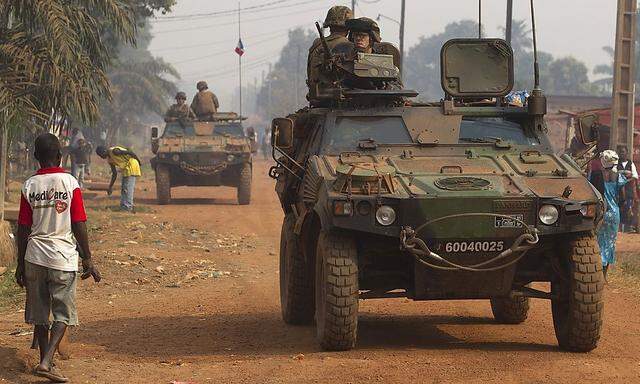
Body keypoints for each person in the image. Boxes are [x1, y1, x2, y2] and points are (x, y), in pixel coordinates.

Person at [15, 133, 101, 383]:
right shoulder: (70, 182)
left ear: (35, 157)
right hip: (62, 257)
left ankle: (47, 361)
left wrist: (20, 264)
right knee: (63, 315)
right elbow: (79, 223)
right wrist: (88, 258)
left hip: (34, 257)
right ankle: (46, 361)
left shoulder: (29, 185)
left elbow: (22, 228)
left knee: (41, 316)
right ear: (60, 156)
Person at [307, 6, 353, 101]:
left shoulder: (316, 44)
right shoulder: (348, 46)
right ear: (348, 28)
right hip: (339, 102)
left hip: (316, 100)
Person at [597, 150, 629, 280]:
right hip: (613, 214)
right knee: (609, 243)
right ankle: (604, 275)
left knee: (597, 242)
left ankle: (596, 273)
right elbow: (623, 197)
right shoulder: (619, 177)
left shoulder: (595, 175)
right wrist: (616, 207)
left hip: (599, 214)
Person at [95, 145, 141, 212]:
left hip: (132, 165)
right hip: (126, 169)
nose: (101, 157)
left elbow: (130, 152)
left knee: (127, 188)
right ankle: (123, 206)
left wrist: (139, 162)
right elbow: (114, 174)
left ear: (104, 151)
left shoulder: (115, 151)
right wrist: (110, 187)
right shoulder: (109, 160)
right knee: (123, 188)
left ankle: (128, 207)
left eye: (101, 155)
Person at [616, 145, 638, 232]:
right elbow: (614, 174)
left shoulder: (631, 164)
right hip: (618, 191)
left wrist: (627, 178)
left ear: (626, 153)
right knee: (619, 208)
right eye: (620, 152)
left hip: (629, 191)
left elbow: (635, 176)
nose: (622, 154)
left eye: (623, 152)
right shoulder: (616, 164)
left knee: (628, 208)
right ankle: (619, 228)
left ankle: (628, 227)